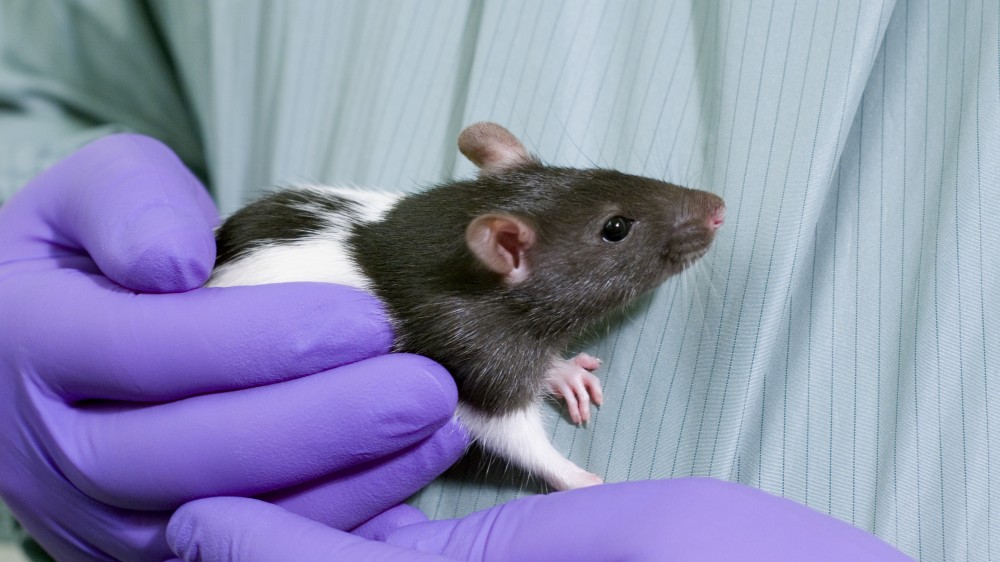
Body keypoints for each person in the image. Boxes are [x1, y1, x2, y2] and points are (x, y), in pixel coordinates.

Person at [4, 0, 995, 559]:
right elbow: (45, 72)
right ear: (505, 246)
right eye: (618, 228)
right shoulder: (482, 295)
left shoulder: (502, 261)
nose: (708, 216)